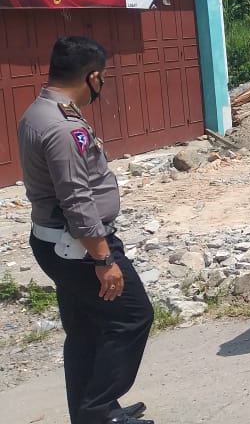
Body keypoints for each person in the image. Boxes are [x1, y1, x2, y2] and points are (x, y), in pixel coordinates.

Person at [18, 36, 154, 424]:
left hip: (58, 243)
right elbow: (77, 199)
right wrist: (104, 258)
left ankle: (91, 412)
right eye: (103, 78)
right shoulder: (62, 127)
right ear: (93, 77)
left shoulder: (38, 112)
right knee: (133, 317)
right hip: (79, 247)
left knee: (85, 329)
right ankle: (98, 409)